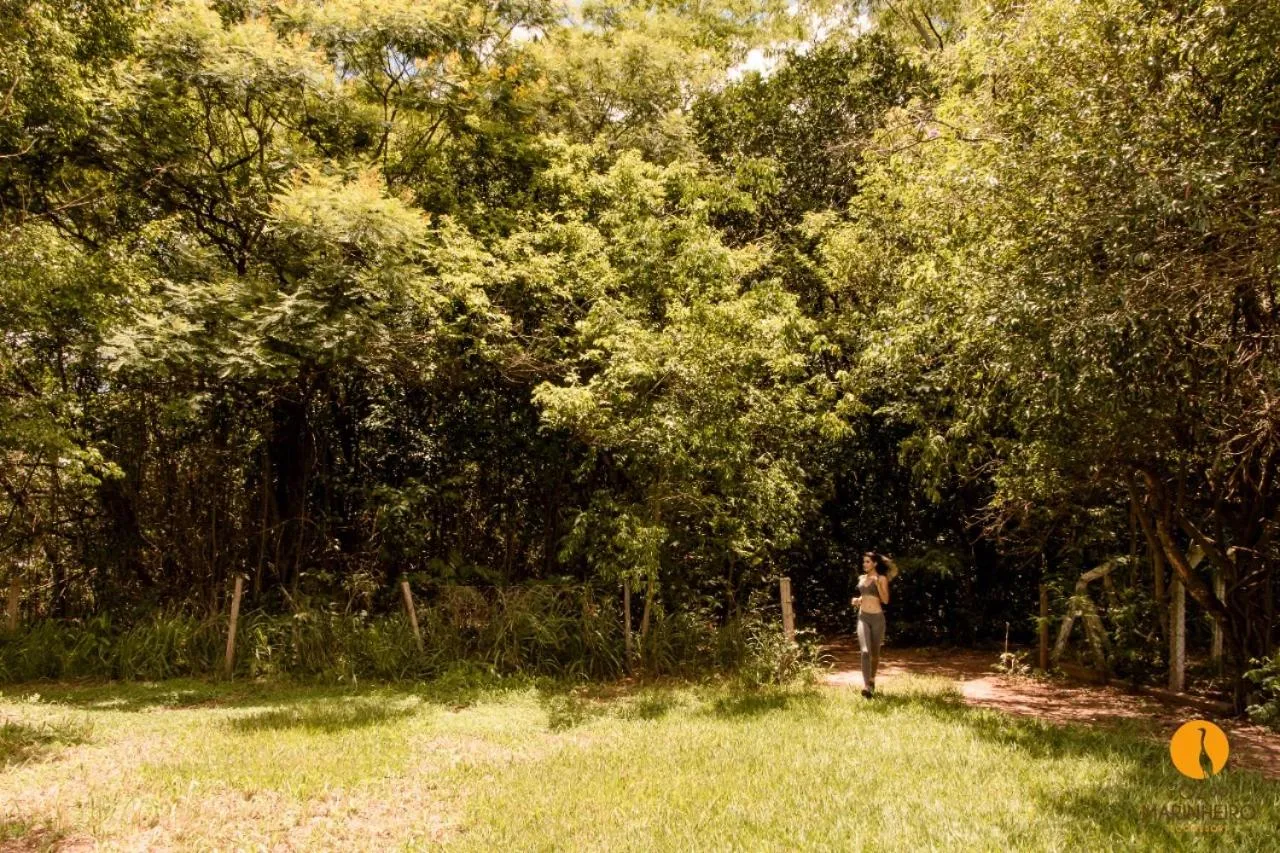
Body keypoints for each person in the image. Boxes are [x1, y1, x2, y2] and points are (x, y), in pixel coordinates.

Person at [851, 551, 896, 698]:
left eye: (868, 562)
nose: (864, 564)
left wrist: (878, 584)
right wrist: (857, 600)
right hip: (863, 617)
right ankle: (866, 687)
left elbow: (885, 600)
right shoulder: (862, 578)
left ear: (875, 563)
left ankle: (872, 680)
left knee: (875, 655)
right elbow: (864, 596)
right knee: (865, 651)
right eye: (864, 562)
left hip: (877, 619)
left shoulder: (881, 578)